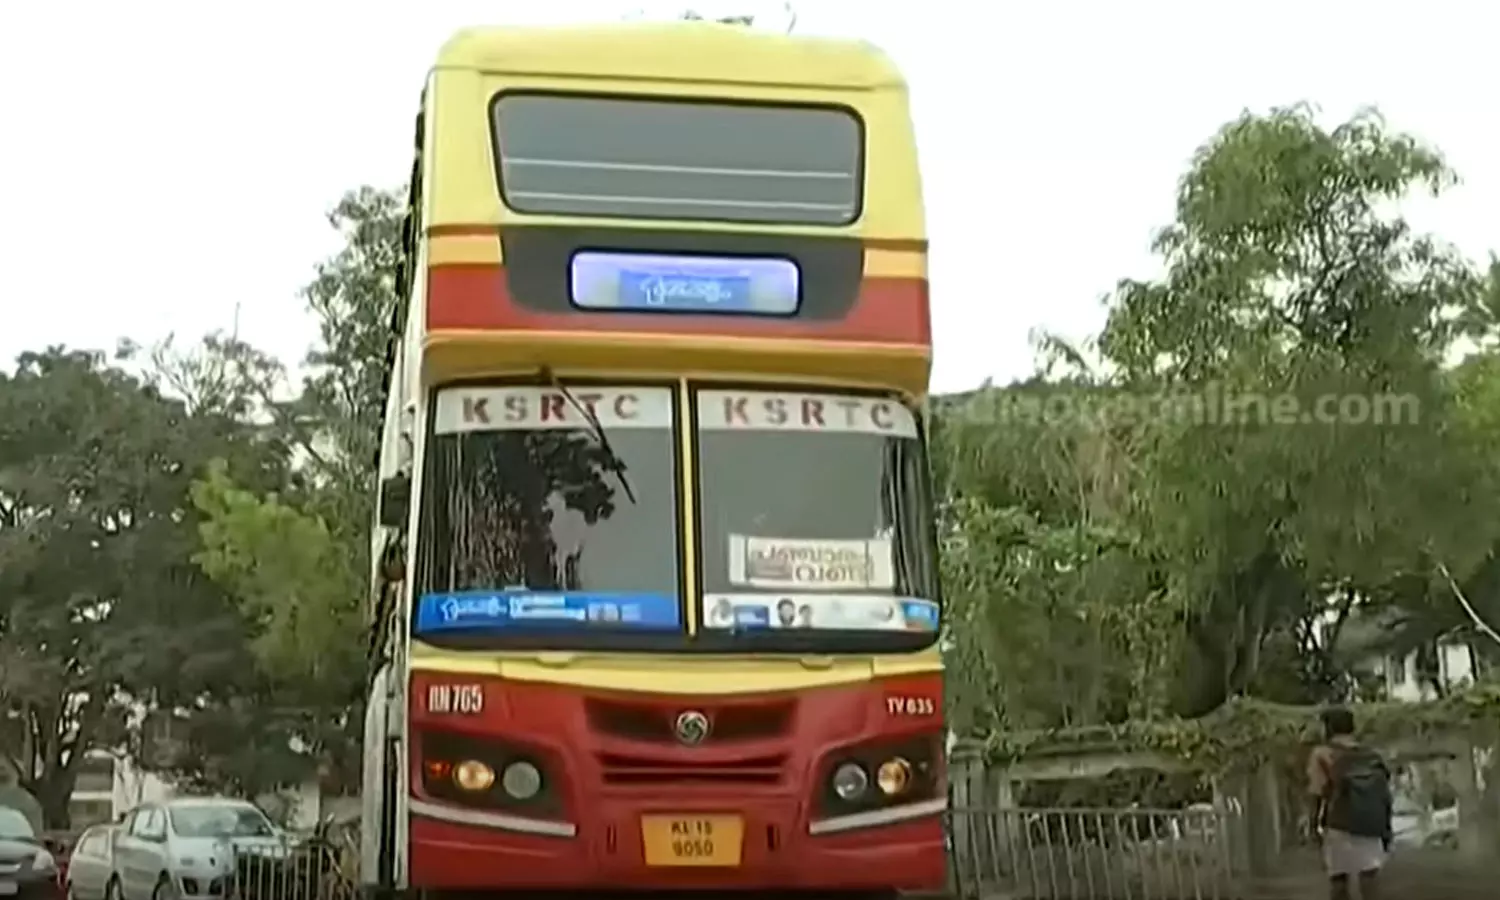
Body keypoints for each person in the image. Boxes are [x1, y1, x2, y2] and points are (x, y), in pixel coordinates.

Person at [1307, 706, 1392, 900]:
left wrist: (1314, 826)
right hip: (1371, 823)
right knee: (1369, 879)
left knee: (1338, 879)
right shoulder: (1371, 755)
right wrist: (1386, 827)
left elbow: (1317, 793)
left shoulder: (1322, 754)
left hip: (1339, 823)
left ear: (1328, 728)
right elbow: (1384, 793)